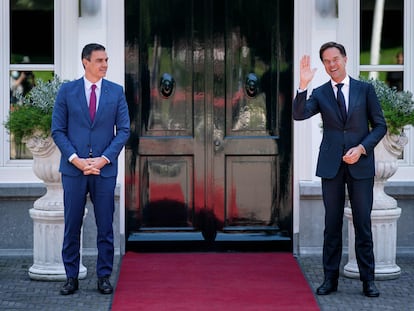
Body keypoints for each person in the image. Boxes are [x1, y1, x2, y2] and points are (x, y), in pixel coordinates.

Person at [293, 42, 387, 297]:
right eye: (326, 61)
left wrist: (362, 148)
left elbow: (380, 126)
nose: (331, 64)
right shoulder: (321, 93)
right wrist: (303, 85)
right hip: (331, 166)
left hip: (361, 166)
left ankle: (369, 281)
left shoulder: (364, 90)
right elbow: (299, 114)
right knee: (331, 225)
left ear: (345, 59)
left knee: (363, 224)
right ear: (323, 64)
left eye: (335, 59)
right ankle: (329, 280)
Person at [52, 43, 130, 295]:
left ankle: (104, 277)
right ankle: (71, 277)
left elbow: (124, 131)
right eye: (99, 60)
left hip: (104, 170)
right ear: (85, 62)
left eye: (106, 60)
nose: (105, 65)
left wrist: (104, 159)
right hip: (74, 170)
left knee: (105, 225)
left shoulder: (116, 92)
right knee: (72, 225)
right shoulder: (67, 91)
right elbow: (58, 131)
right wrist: (76, 159)